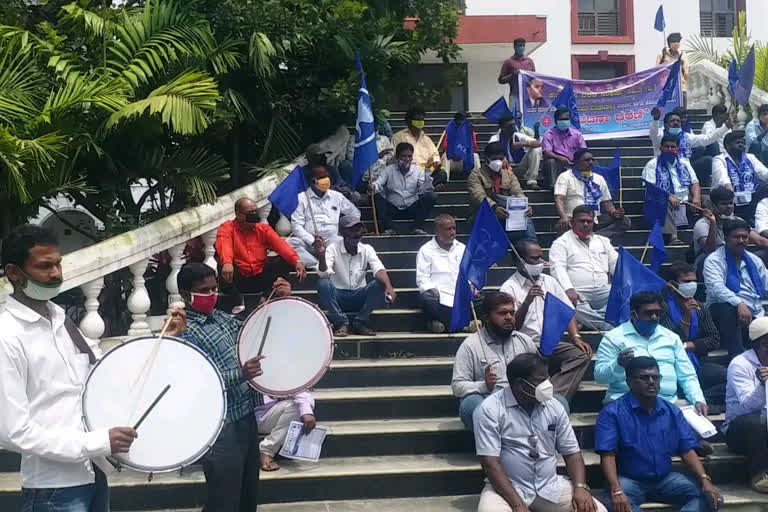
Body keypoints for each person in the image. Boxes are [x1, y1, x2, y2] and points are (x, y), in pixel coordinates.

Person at [0, 225, 164, 512]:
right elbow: (13, 431)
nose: (56, 274)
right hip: (52, 488)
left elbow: (97, 373)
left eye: (58, 263)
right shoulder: (7, 335)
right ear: (14, 272)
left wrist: (166, 341)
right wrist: (97, 441)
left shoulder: (61, 319)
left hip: (93, 473)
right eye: (44, 266)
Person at [175, 261, 271, 512]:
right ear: (186, 295)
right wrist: (241, 374)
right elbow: (196, 380)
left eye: (214, 289)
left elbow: (252, 335)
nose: (212, 295)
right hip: (219, 426)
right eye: (204, 290)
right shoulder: (183, 332)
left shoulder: (222, 318)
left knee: (247, 492)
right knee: (224, 498)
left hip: (245, 415)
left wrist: (273, 304)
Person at [474, 352, 607, 512]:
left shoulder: (554, 406)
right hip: (507, 489)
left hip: (550, 486)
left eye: (547, 378)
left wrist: (580, 487)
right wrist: (517, 505)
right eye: (540, 380)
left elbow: (572, 453)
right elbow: (490, 463)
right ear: (520, 384)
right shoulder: (490, 409)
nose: (547, 385)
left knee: (597, 510)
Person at [595, 356, 722, 512]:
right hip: (628, 480)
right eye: (644, 377)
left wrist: (705, 479)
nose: (651, 382)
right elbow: (607, 455)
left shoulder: (672, 411)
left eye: (655, 377)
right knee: (618, 506)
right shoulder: (612, 413)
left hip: (665, 479)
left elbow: (687, 449)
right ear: (629, 382)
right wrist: (616, 489)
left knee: (710, 497)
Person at [499, 240, 592, 400]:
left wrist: (576, 337)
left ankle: (549, 396)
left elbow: (566, 310)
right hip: (524, 345)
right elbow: (511, 327)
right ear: (519, 261)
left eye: (541, 257)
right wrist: (527, 302)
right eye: (534, 259)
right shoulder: (509, 288)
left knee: (581, 355)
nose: (541, 262)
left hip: (551, 343)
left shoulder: (549, 281)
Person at [594, 292, 707, 413]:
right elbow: (600, 377)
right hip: (625, 404)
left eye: (658, 313)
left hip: (669, 403)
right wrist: (618, 365)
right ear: (634, 314)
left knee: (702, 428)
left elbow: (687, 375)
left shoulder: (671, 338)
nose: (654, 317)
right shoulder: (614, 338)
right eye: (648, 313)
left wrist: (698, 399)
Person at [450, 292, 538, 430]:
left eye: (511, 312)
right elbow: (457, 386)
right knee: (470, 405)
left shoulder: (525, 341)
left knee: (559, 402)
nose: (509, 317)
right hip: (491, 404)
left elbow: (539, 375)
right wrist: (484, 385)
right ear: (487, 317)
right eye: (502, 313)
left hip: (522, 401)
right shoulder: (471, 345)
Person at [216, 197, 307, 311]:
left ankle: (267, 295)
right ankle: (237, 300)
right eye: (250, 213)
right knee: (223, 264)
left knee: (283, 261)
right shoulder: (227, 228)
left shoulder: (263, 228)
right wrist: (227, 262)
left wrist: (296, 261)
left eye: (255, 211)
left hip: (259, 274)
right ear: (238, 214)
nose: (254, 215)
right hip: (238, 276)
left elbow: (281, 245)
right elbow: (225, 245)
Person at [316, 215, 396, 337]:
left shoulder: (367, 249)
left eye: (358, 231)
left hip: (359, 295)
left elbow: (378, 269)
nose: (356, 234)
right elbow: (324, 273)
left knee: (380, 284)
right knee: (323, 283)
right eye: (352, 231)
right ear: (343, 234)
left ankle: (360, 322)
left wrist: (389, 287)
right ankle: (341, 323)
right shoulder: (333, 248)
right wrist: (321, 256)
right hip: (338, 296)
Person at [660, 261, 726, 408]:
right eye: (687, 281)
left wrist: (691, 345)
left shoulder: (701, 307)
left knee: (729, 377)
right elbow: (671, 340)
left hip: (698, 361)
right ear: (673, 284)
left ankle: (696, 401)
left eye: (694, 281)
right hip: (671, 363)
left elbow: (714, 340)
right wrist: (687, 316)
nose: (692, 285)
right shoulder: (661, 307)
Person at [705, 219, 768, 357]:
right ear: (726, 238)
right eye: (736, 237)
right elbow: (716, 288)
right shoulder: (714, 260)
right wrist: (739, 303)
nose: (741, 241)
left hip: (754, 312)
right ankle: (737, 357)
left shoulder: (754, 260)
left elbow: (766, 286)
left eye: (744, 237)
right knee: (730, 309)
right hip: (723, 313)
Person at [549, 205, 618, 332]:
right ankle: (606, 325)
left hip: (603, 291)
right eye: (582, 221)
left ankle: (587, 321)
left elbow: (616, 265)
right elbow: (557, 268)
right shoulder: (561, 243)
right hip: (577, 292)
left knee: (626, 295)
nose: (586, 224)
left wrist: (624, 284)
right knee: (565, 301)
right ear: (572, 222)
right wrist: (568, 289)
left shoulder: (603, 241)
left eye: (589, 221)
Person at [723, 317, 768, 493]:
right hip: (740, 430)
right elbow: (749, 407)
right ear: (764, 344)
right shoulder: (740, 365)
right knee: (758, 422)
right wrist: (762, 384)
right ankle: (760, 475)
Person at [286, 164, 360, 269]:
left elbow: (355, 213)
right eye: (321, 178)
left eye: (327, 176)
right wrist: (312, 241)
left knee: (345, 243)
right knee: (290, 244)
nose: (326, 180)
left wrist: (346, 229)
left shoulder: (336, 196)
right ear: (312, 180)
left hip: (332, 239)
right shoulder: (301, 198)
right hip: (309, 243)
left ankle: (329, 263)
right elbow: (296, 226)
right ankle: (317, 266)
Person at [555, 149, 629, 245]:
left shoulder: (599, 178)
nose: (590, 162)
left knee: (625, 221)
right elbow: (559, 199)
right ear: (576, 162)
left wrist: (614, 212)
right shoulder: (565, 176)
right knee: (561, 227)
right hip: (573, 220)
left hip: (595, 220)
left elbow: (606, 202)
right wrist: (563, 216)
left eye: (592, 160)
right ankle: (588, 239)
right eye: (586, 160)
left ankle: (591, 240)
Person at [468, 141, 537, 243]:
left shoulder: (509, 175)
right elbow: (478, 196)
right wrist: (494, 207)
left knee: (524, 215)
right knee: (499, 198)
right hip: (484, 215)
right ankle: (532, 245)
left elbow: (518, 191)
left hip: (508, 216)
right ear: (486, 158)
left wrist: (525, 206)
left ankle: (531, 246)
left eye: (500, 159)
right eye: (494, 159)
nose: (498, 162)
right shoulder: (476, 175)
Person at [642, 134, 701, 246]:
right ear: (661, 149)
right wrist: (669, 196)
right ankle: (673, 237)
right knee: (662, 200)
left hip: (685, 199)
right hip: (664, 200)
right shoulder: (652, 164)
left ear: (677, 149)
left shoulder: (684, 163)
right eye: (666, 147)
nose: (670, 149)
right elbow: (650, 187)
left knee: (708, 199)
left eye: (673, 147)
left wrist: (696, 199)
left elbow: (695, 183)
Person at [650, 109, 731, 187]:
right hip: (664, 169)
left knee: (708, 159)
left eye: (678, 121)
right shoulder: (660, 136)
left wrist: (726, 127)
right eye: (672, 121)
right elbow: (654, 133)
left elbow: (708, 138)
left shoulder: (687, 137)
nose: (676, 123)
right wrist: (656, 120)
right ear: (666, 124)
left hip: (684, 170)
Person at [370, 142, 436, 235]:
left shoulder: (418, 171)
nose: (406, 159)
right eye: (403, 156)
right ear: (397, 157)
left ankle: (415, 227)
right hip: (392, 208)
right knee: (376, 197)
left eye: (409, 156)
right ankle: (391, 228)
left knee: (431, 196)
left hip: (411, 207)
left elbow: (424, 189)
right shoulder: (388, 170)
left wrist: (427, 173)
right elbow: (378, 183)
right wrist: (373, 187)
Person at [416, 214, 466, 333]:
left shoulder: (462, 248)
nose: (453, 232)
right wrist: (432, 289)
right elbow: (422, 278)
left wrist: (469, 285)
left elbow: (469, 272)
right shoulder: (426, 250)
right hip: (438, 295)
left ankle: (439, 324)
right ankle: (462, 326)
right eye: (448, 229)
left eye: (454, 228)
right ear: (437, 231)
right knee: (427, 300)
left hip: (460, 293)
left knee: (484, 299)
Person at [711, 130, 768, 223]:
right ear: (727, 145)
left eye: (742, 142)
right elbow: (722, 178)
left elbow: (764, 173)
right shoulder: (719, 159)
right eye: (738, 143)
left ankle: (759, 217)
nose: (741, 145)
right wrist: (730, 190)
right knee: (724, 192)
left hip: (750, 197)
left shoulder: (750, 157)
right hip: (729, 198)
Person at [392, 105, 447, 186]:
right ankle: (425, 187)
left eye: (421, 120)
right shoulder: (398, 137)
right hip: (407, 171)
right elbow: (394, 158)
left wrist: (434, 163)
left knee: (442, 174)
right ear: (408, 121)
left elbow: (435, 155)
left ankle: (425, 187)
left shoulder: (427, 139)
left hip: (426, 172)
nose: (420, 123)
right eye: (417, 120)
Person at [489, 113, 542, 190]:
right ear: (503, 127)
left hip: (519, 168)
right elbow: (490, 151)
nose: (514, 127)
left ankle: (532, 181)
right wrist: (502, 157)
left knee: (535, 150)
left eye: (514, 124)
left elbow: (539, 144)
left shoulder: (517, 136)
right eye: (510, 126)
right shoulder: (495, 138)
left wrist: (522, 144)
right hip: (503, 170)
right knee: (496, 160)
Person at [541, 108, 587, 189]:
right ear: (555, 121)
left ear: (570, 120)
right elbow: (547, 152)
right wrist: (560, 158)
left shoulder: (576, 134)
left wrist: (576, 160)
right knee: (550, 161)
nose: (564, 121)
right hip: (558, 164)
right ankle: (554, 187)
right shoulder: (549, 134)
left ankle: (587, 181)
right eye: (561, 119)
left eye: (566, 119)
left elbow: (583, 150)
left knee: (588, 160)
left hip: (574, 163)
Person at [498, 38, 536, 107]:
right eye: (520, 45)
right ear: (515, 47)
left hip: (528, 96)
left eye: (523, 46)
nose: (522, 47)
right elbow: (501, 80)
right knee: (516, 116)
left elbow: (534, 78)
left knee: (527, 117)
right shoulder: (508, 62)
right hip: (515, 95)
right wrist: (512, 75)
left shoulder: (529, 61)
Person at [440, 111, 480, 176]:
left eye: (462, 120)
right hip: (452, 162)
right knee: (445, 156)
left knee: (475, 156)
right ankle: (445, 181)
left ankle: (477, 179)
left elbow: (474, 149)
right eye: (458, 120)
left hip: (464, 162)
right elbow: (445, 148)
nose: (459, 122)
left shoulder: (470, 132)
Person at [656, 33, 690, 107]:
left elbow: (686, 72)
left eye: (678, 41)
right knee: (669, 108)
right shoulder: (662, 55)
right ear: (669, 44)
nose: (676, 43)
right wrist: (663, 59)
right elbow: (657, 70)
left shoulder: (683, 55)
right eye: (674, 41)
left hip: (681, 88)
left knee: (682, 109)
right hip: (667, 88)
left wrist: (683, 79)